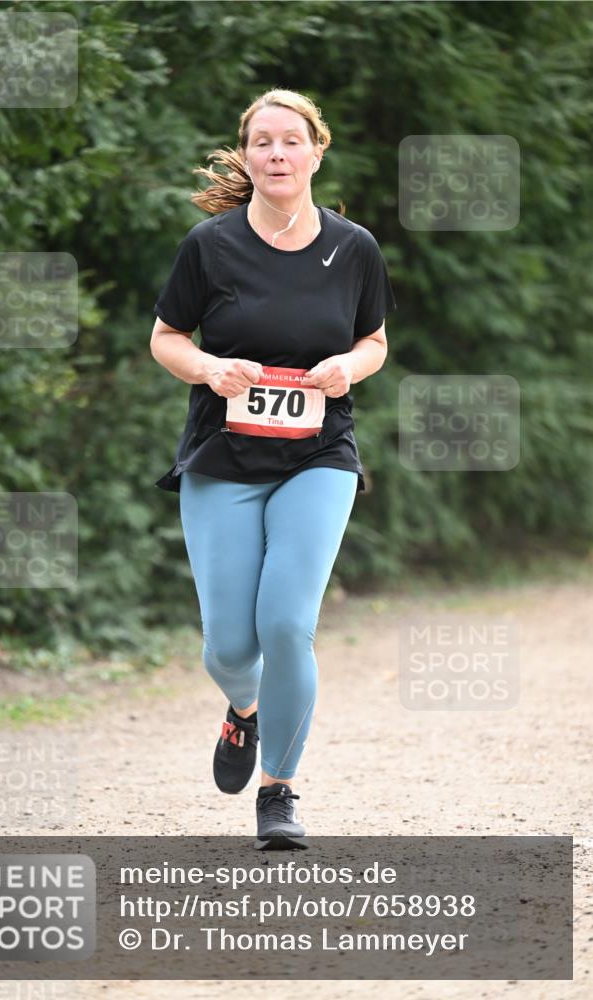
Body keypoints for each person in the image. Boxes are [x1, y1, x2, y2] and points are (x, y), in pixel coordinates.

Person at [150, 88, 396, 850]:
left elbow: (374, 343)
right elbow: (166, 338)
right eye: (263, 142)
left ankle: (279, 791)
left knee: (286, 623)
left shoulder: (352, 248)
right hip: (223, 456)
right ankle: (243, 710)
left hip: (317, 455)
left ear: (316, 151)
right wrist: (209, 367)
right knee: (227, 646)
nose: (278, 154)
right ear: (246, 155)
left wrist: (346, 370)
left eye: (292, 140)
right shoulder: (210, 245)